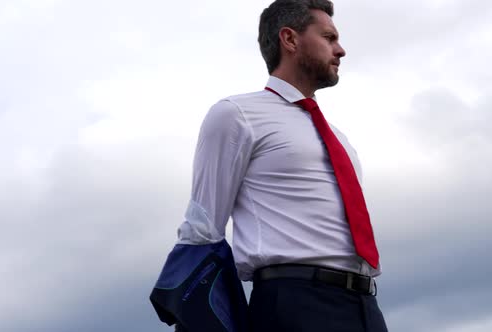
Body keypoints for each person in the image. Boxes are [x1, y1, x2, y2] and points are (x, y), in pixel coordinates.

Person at [150, 0, 388, 331]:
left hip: (365, 305)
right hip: (293, 302)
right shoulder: (236, 114)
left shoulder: (340, 138)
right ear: (290, 40)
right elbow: (202, 228)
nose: (341, 50)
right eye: (329, 37)